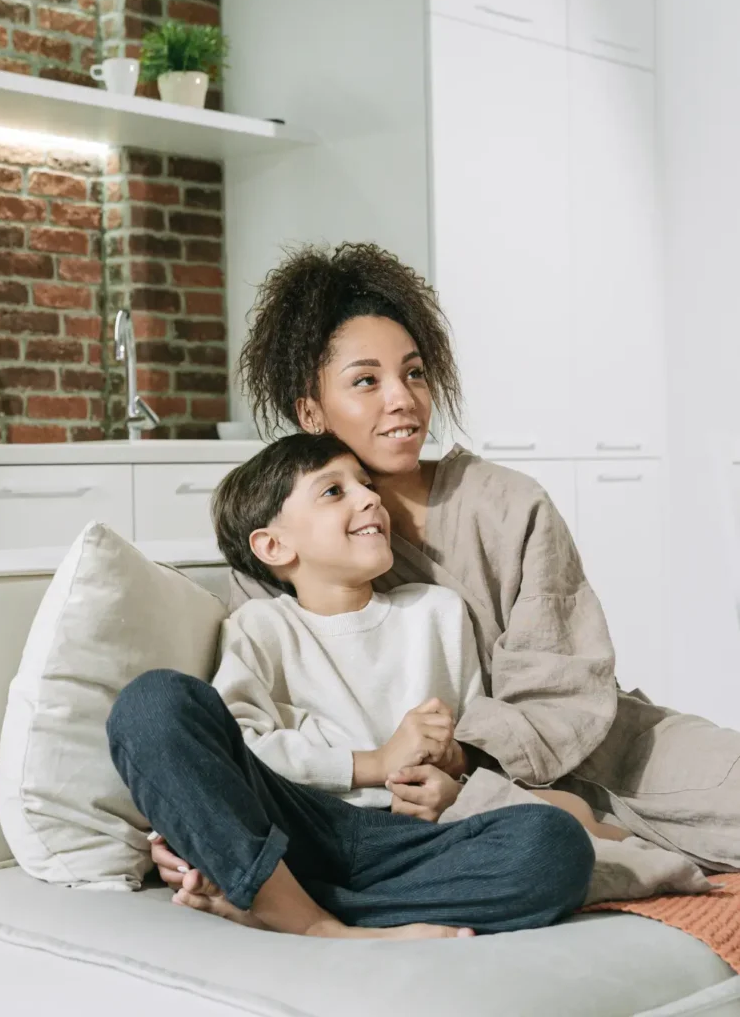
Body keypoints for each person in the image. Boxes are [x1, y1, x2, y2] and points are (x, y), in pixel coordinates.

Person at [153, 242, 740, 894]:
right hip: (438, 800)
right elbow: (259, 725)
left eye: (414, 373)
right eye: (366, 381)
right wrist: (198, 825)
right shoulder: (286, 550)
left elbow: (564, 685)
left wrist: (457, 751)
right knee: (550, 848)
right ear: (311, 411)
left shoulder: (507, 503)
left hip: (609, 752)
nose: (402, 399)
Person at [107, 433, 596, 940]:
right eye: (333, 491)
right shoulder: (260, 626)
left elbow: (471, 742)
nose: (369, 498)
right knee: (152, 703)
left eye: (366, 485)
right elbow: (234, 753)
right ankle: (314, 924)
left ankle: (290, 905)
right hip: (295, 829)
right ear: (273, 545)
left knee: (554, 845)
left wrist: (453, 781)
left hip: (408, 842)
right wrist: (375, 763)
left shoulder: (438, 611)